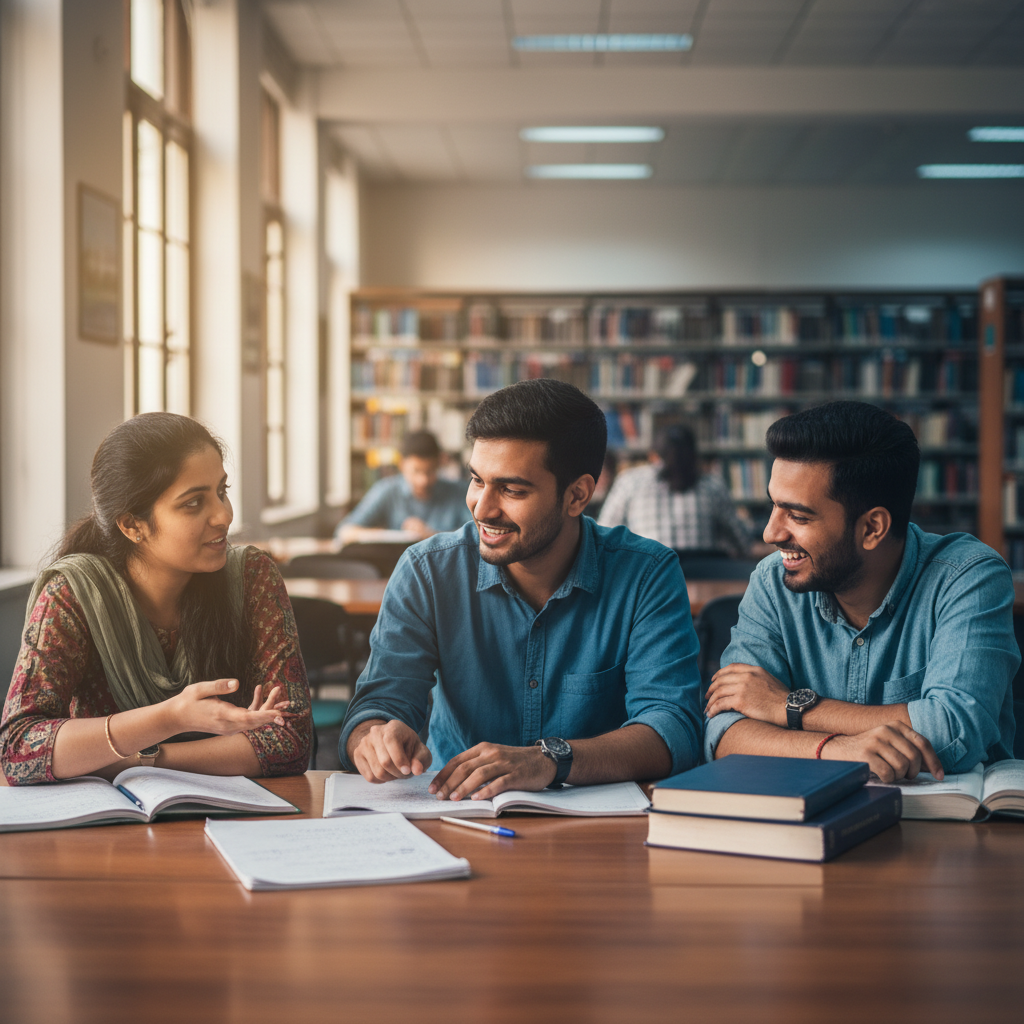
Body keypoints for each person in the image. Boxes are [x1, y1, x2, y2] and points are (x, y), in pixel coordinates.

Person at [339, 379, 702, 801]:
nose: (483, 507)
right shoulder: (427, 571)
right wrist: (374, 737)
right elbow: (375, 708)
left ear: (577, 495)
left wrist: (549, 760)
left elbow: (672, 729)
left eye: (512, 489)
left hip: (601, 829)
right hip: (457, 813)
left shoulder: (647, 575)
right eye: (477, 480)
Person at [704, 401, 1018, 783]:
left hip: (956, 829)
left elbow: (955, 728)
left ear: (872, 528)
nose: (770, 533)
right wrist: (836, 750)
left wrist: (788, 707)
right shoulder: (774, 582)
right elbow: (726, 733)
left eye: (798, 516)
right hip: (810, 820)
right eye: (774, 506)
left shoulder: (968, 577)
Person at [0, 413, 311, 785]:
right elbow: (18, 751)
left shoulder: (252, 576)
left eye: (221, 492)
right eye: (194, 503)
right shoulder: (73, 595)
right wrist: (172, 717)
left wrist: (129, 762)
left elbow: (290, 741)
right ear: (133, 525)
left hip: (233, 824)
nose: (224, 515)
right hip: (105, 831)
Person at [598, 423, 752, 556]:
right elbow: (743, 544)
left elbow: (602, 537)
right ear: (694, 455)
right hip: (706, 581)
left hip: (651, 581)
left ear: (654, 456)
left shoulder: (630, 482)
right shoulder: (713, 485)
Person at [337, 430, 471, 542]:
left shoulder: (460, 492)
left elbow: (478, 537)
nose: (423, 480)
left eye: (430, 471)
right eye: (416, 471)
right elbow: (344, 532)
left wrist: (432, 535)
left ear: (440, 463)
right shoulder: (387, 490)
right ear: (402, 465)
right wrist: (387, 535)